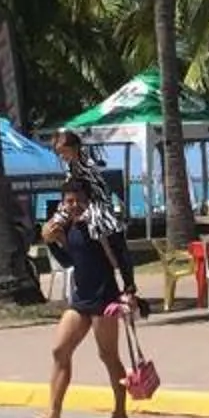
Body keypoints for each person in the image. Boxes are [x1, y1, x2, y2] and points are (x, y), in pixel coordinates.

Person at [26, 185, 131, 418]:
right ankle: (53, 414)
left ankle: (120, 412)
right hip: (81, 297)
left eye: (77, 201)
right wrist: (50, 242)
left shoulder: (101, 225)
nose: (72, 205)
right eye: (68, 201)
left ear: (88, 201)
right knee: (59, 350)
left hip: (104, 297)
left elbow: (123, 256)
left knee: (108, 356)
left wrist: (130, 289)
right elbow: (70, 262)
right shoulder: (70, 228)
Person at [53, 130, 142, 306]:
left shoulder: (85, 163)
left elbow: (93, 190)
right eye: (59, 153)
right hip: (84, 203)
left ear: (75, 148)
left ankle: (128, 283)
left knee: (115, 237)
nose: (62, 156)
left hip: (97, 204)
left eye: (64, 152)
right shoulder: (72, 165)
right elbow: (71, 187)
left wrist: (86, 208)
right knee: (60, 219)